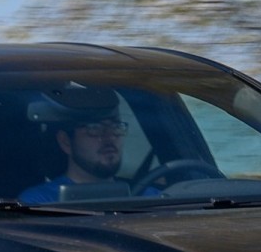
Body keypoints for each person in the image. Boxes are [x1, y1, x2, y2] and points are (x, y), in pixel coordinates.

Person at [17, 87, 160, 204]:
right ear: (65, 141)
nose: (109, 136)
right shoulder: (40, 203)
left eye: (115, 127)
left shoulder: (149, 197)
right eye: (95, 128)